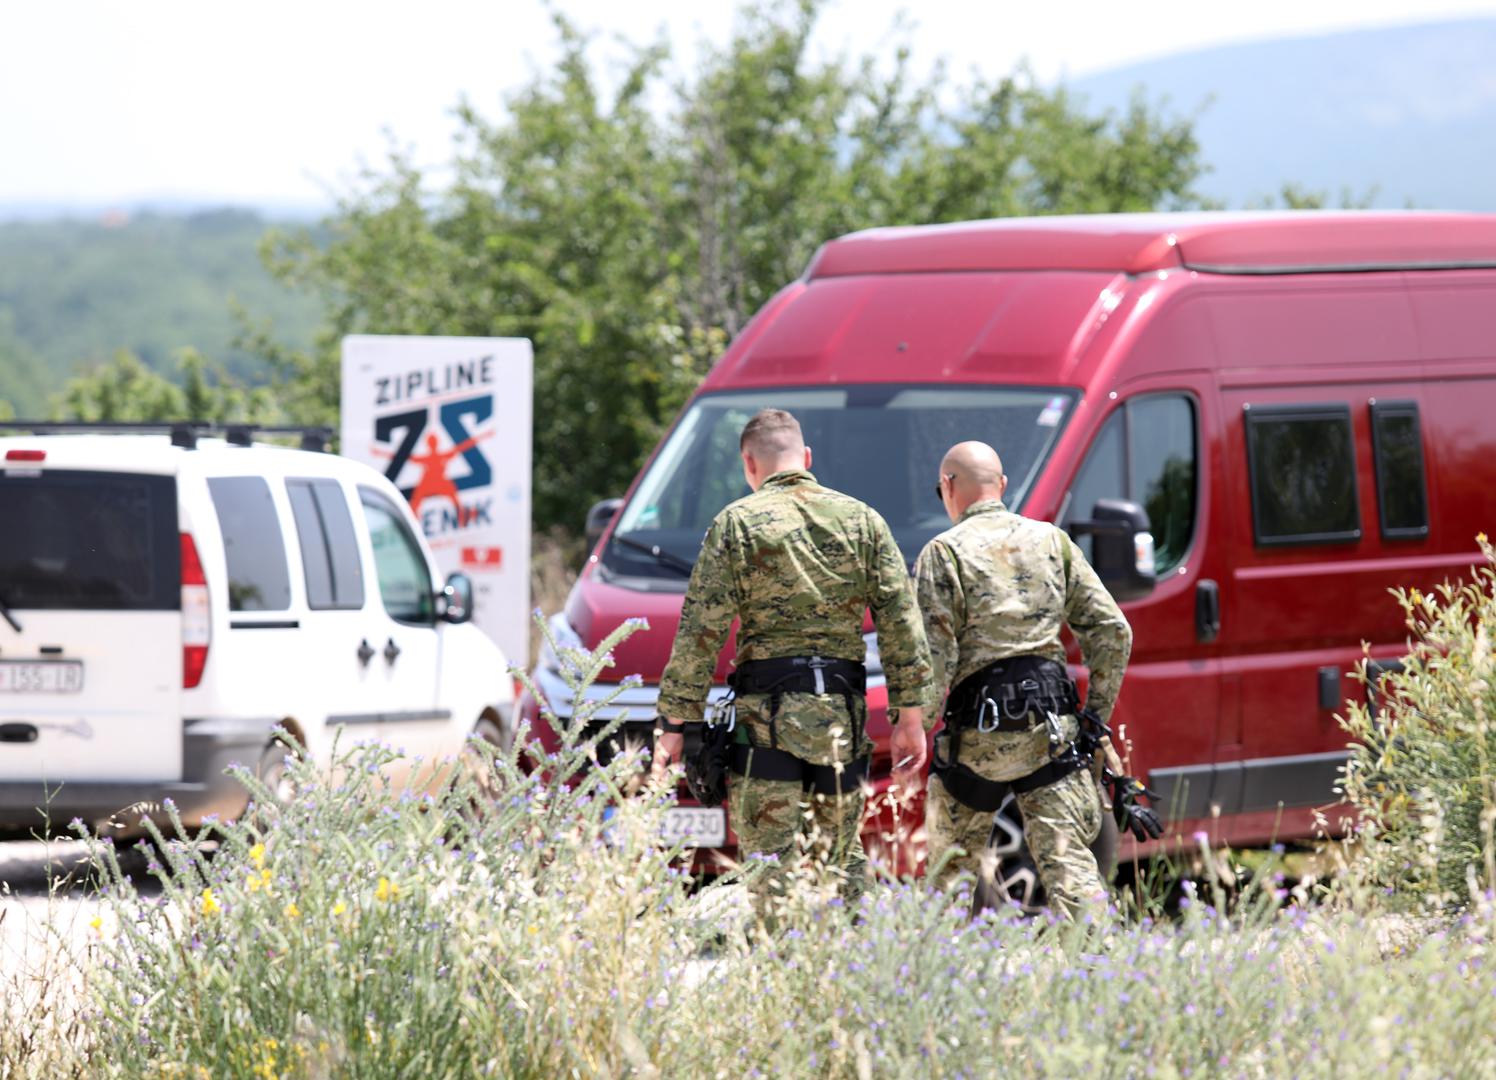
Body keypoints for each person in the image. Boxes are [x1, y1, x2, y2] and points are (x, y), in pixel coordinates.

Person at [652, 408, 932, 912]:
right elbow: (902, 624)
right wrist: (909, 717)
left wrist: (676, 723)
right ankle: (849, 971)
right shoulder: (862, 520)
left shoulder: (736, 524)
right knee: (843, 862)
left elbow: (700, 633)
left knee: (768, 865)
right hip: (841, 723)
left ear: (748, 464)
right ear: (806, 458)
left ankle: (780, 972)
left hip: (766, 724)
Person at [914, 440, 1154, 919]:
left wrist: (915, 726)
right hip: (1052, 732)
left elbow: (933, 661)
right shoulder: (1051, 541)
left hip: (976, 740)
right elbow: (1112, 630)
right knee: (1069, 867)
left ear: (947, 488)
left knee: (949, 874)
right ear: (1001, 486)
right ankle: (1099, 975)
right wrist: (1094, 717)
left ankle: (944, 979)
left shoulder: (942, 554)